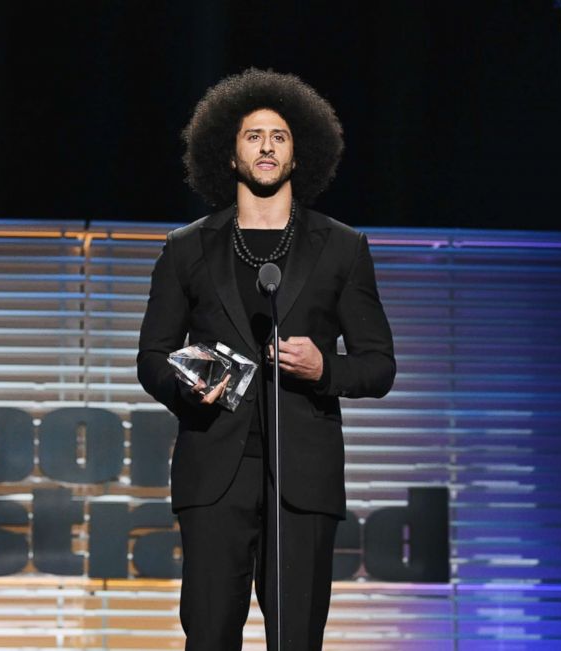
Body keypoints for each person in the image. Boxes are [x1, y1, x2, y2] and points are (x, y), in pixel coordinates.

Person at [136, 68, 396, 651]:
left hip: (303, 480)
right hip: (214, 474)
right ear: (228, 154)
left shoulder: (343, 248)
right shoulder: (185, 249)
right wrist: (185, 386)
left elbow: (379, 365)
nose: (267, 146)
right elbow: (151, 355)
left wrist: (324, 368)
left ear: (299, 154)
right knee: (207, 637)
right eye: (253, 135)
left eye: (279, 136)